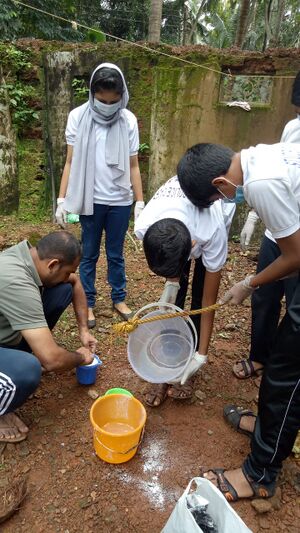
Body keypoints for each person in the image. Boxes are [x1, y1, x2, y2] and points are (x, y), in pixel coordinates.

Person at [177, 141, 300, 501]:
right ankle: (270, 429)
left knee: (284, 374)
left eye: (217, 200)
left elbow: (294, 256)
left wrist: (249, 283)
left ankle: (259, 474)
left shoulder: (261, 183)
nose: (224, 203)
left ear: (219, 183)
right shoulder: (262, 153)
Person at [56, 63, 144, 327]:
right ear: (92, 93)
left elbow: (133, 165)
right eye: (102, 100)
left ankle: (119, 298)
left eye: (113, 101)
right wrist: (62, 199)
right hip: (90, 199)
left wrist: (139, 201)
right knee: (90, 253)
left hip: (119, 200)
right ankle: (89, 302)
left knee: (116, 253)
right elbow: (70, 162)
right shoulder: (78, 117)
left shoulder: (128, 120)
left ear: (122, 96)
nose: (107, 105)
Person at [134, 175, 235, 406]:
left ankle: (190, 360)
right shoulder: (144, 225)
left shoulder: (211, 231)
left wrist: (201, 355)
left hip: (209, 222)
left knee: (200, 295)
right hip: (181, 222)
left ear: (191, 246)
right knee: (174, 298)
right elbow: (169, 264)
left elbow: (209, 300)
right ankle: (169, 360)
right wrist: (170, 286)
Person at [0, 231, 96, 443]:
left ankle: (23, 354)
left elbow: (74, 282)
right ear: (53, 264)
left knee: (61, 289)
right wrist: (81, 358)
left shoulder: (29, 257)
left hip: (6, 334)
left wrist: (83, 330)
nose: (68, 275)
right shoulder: (17, 282)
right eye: (66, 270)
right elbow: (53, 361)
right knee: (28, 369)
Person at [234, 70, 300, 380]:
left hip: (298, 240)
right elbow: (274, 174)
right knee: (265, 297)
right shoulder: (292, 128)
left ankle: (285, 370)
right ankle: (259, 356)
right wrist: (254, 215)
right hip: (278, 231)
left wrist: (247, 283)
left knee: (295, 307)